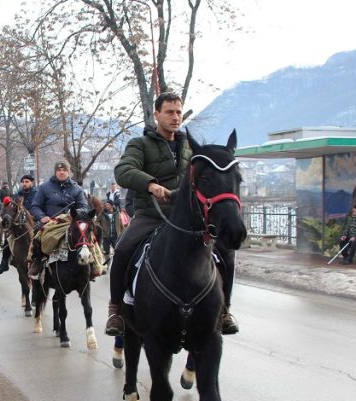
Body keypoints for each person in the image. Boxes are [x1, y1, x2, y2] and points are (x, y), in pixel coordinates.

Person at [104, 91, 240, 337]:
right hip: (151, 215)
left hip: (190, 220)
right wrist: (150, 184)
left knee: (227, 254)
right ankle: (116, 311)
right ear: (157, 114)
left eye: (178, 112)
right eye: (169, 112)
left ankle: (225, 310)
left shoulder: (191, 146)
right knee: (123, 249)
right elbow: (123, 171)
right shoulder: (140, 144)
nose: (175, 117)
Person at [28, 160, 89, 278]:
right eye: (59, 170)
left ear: (69, 172)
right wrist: (42, 217)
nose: (62, 172)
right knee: (37, 235)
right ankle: (37, 261)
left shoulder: (77, 189)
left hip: (71, 223)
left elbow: (84, 207)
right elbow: (35, 206)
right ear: (55, 172)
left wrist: (75, 214)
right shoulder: (44, 187)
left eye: (64, 170)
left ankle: (93, 263)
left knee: (90, 234)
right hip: (51, 223)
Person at [0, 174, 37, 274]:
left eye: (27, 182)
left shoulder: (37, 193)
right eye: (23, 182)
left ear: (32, 183)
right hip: (19, 221)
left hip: (34, 220)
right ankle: (4, 262)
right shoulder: (17, 195)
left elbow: (39, 206)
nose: (24, 184)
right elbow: (11, 209)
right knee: (8, 238)